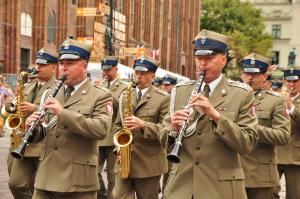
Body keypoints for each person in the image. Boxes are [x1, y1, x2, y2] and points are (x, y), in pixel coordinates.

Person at [162, 29, 258, 199]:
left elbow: (247, 144)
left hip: (221, 189)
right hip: (182, 188)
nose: (203, 64)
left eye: (209, 58)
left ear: (223, 60)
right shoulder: (180, 91)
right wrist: (173, 129)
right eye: (199, 58)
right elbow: (164, 140)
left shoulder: (242, 93)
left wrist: (216, 116)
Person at [27, 38, 113, 199]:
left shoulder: (101, 95)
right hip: (46, 177)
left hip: (78, 181)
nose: (64, 68)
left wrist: (63, 113)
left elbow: (101, 129)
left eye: (70, 63)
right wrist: (32, 129)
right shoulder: (50, 93)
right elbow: (45, 132)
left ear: (85, 65)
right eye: (62, 63)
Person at [113, 56, 170, 199]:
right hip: (124, 159)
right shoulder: (125, 95)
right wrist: (118, 147)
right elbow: (117, 125)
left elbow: (166, 130)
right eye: (136, 72)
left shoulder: (163, 98)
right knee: (119, 196)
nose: (138, 76)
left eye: (143, 73)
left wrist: (143, 125)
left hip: (148, 164)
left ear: (153, 75)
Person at [6, 47, 58, 199]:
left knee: (43, 187)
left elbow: (56, 111)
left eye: (42, 65)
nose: (37, 68)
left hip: (42, 143)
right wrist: (12, 106)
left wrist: (34, 107)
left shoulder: (57, 88)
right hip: (22, 141)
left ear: (53, 67)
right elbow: (13, 106)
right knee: (15, 184)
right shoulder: (29, 86)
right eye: (37, 64)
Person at [240, 53, 290, 199]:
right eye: (247, 73)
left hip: (260, 177)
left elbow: (283, 136)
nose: (249, 78)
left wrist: (251, 127)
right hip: (231, 172)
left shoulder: (276, 101)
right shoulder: (231, 98)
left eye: (255, 74)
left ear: (264, 77)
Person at [97, 56, 127, 199]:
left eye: (108, 70)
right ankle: (102, 195)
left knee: (112, 175)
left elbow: (119, 107)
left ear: (116, 69)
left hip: (113, 137)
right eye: (104, 70)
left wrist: (104, 92)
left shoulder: (124, 87)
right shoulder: (100, 85)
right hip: (98, 134)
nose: (105, 73)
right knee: (93, 172)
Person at [276, 66, 300, 199]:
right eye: (288, 81)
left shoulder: (288, 100)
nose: (291, 84)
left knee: (294, 195)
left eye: (295, 81)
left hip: (295, 157)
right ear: (284, 81)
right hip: (274, 154)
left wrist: (290, 105)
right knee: (268, 192)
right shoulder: (276, 98)